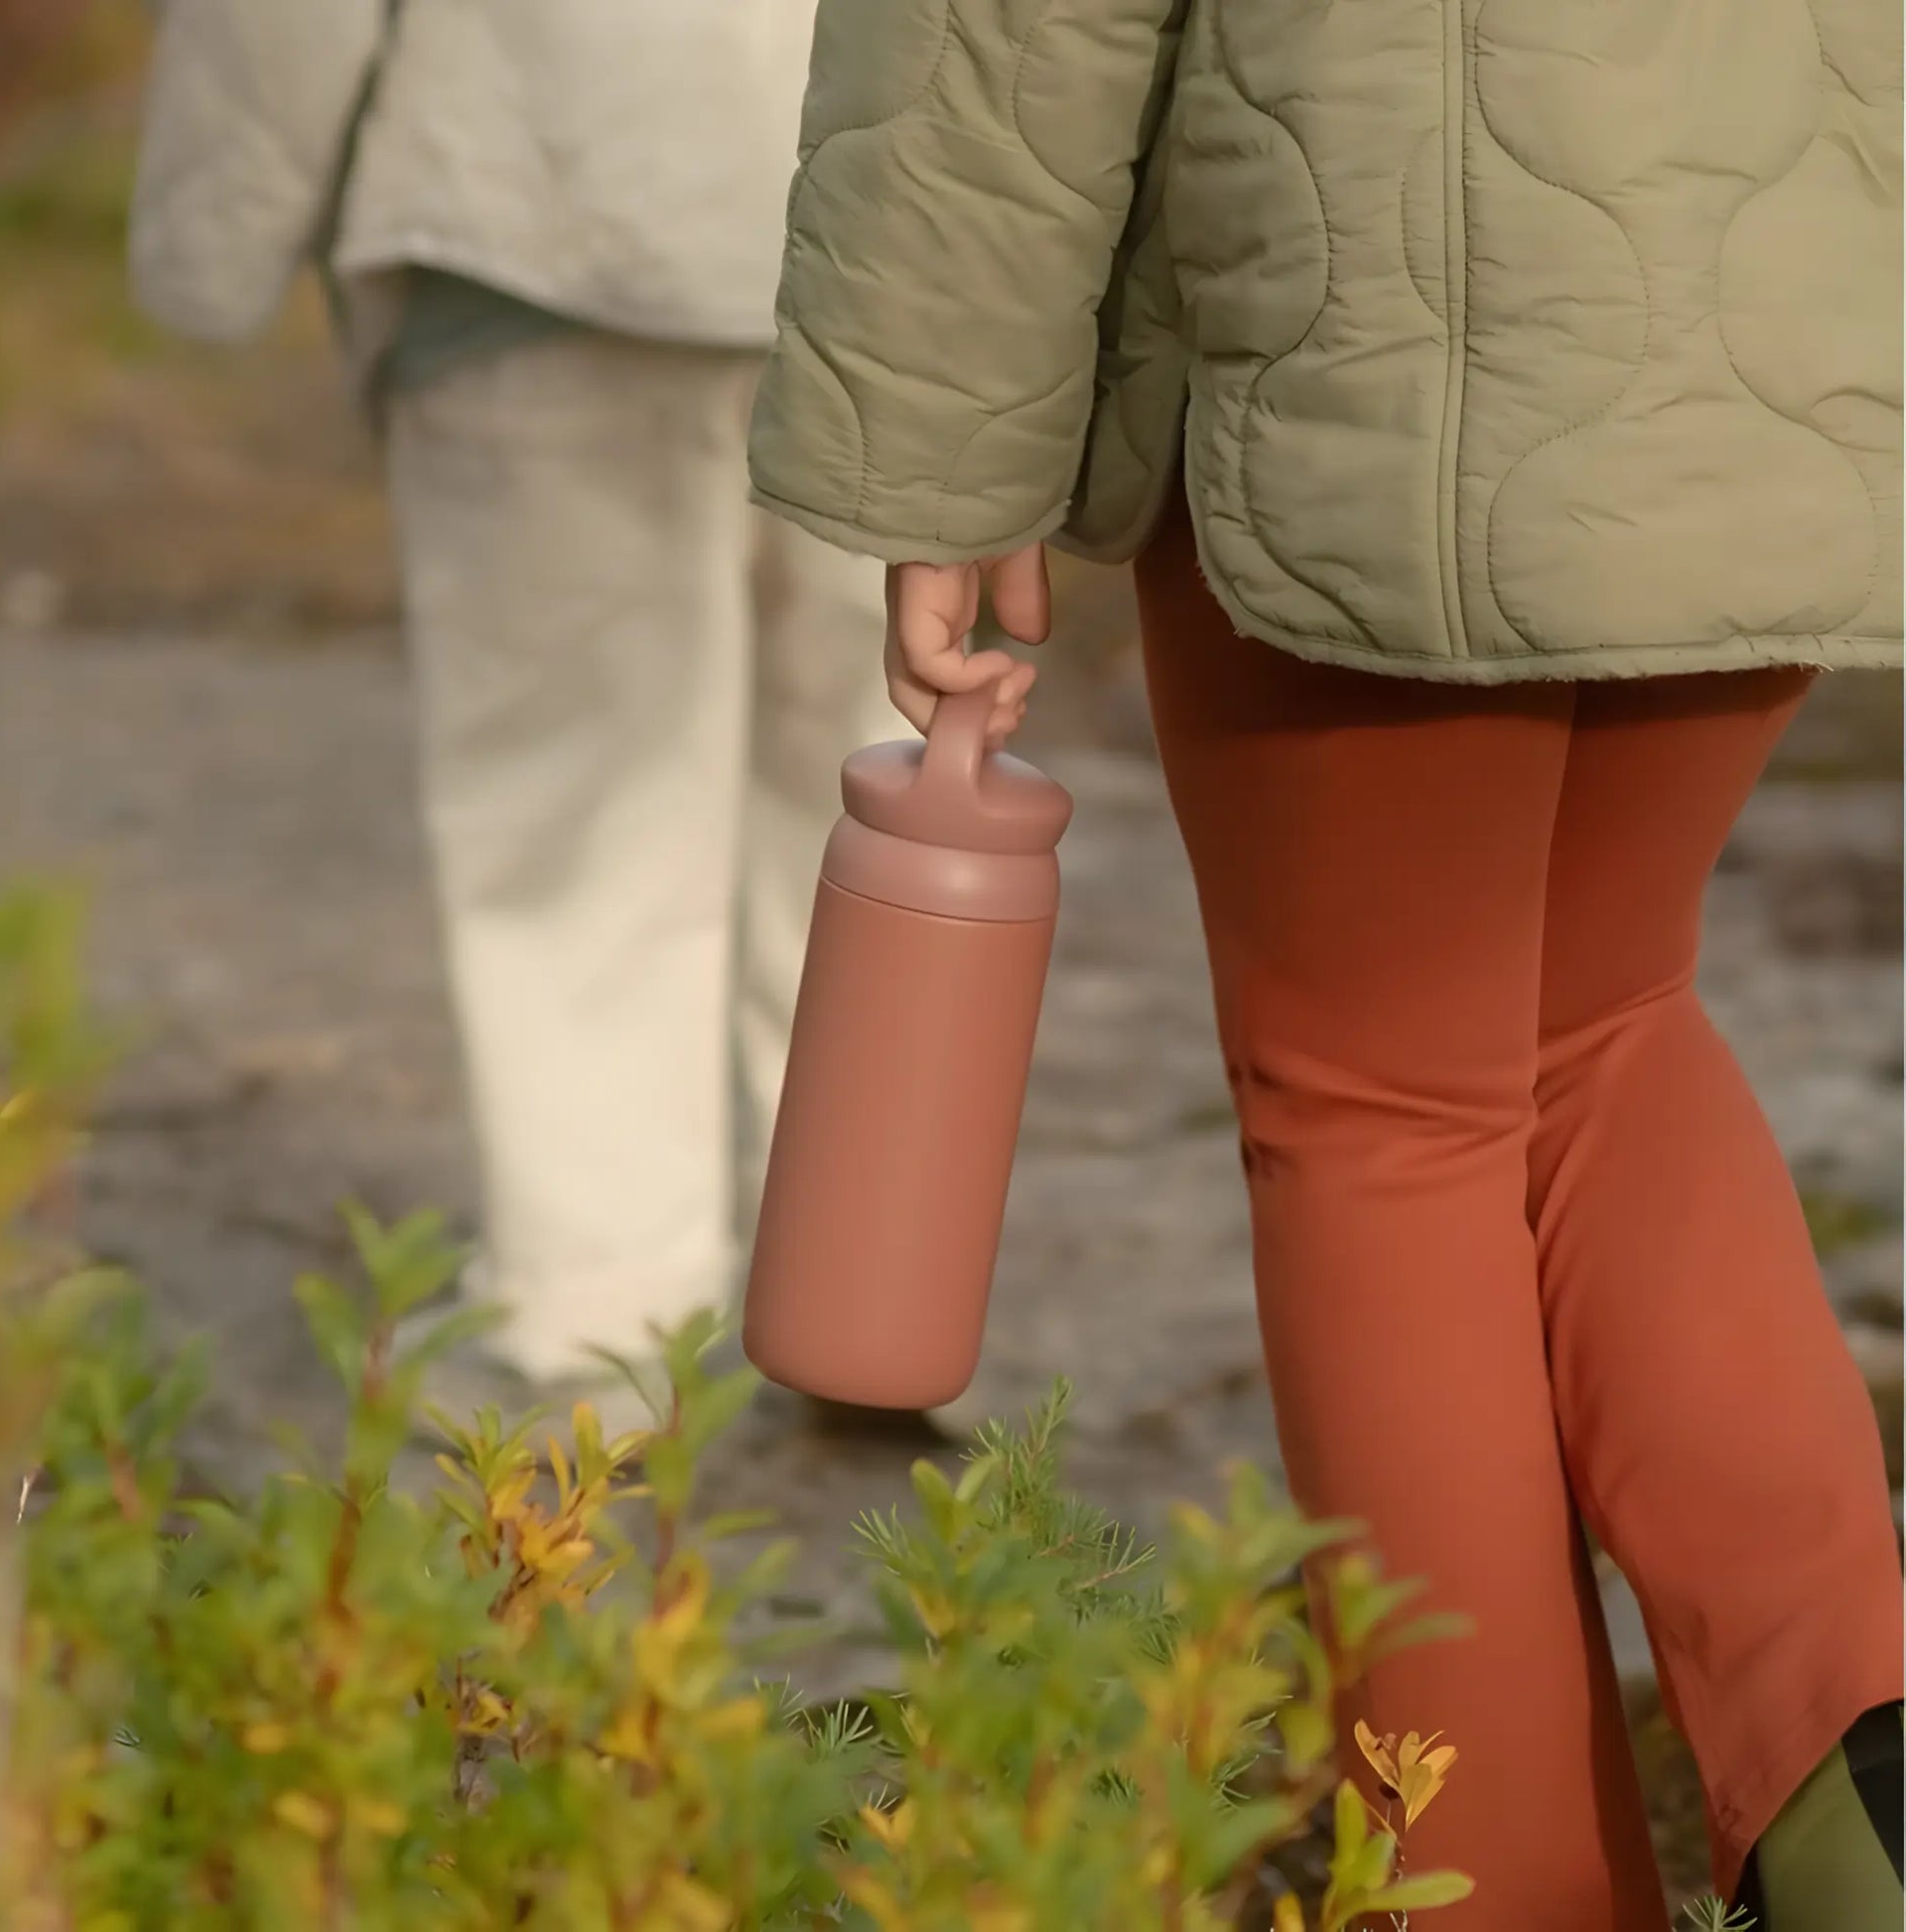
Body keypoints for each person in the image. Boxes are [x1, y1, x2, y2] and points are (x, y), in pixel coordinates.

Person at [745, 1, 1905, 1925]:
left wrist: (938, 451)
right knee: (1605, 1021)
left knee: (1383, 1110)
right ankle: (1862, 1803)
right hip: (1783, 322)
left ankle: (1493, 1896)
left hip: (1381, 350)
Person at [125, 1, 906, 1418]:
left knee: (576, 820)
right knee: (874, 800)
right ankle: (874, 1291)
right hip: (910, 238)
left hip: (547, 205)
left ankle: (604, 1320)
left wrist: (211, 240)